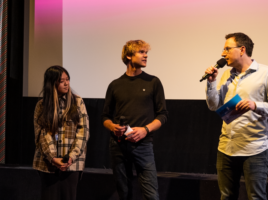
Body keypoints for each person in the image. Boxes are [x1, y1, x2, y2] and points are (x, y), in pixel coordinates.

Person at [204, 33, 268, 200]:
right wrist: (211, 82)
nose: (222, 53)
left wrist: (255, 105)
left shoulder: (266, 73)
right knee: (226, 196)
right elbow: (214, 106)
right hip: (226, 147)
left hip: (254, 149)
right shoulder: (226, 75)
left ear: (242, 50)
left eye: (227, 49)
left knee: (256, 197)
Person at [102, 40, 168, 200]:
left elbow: (163, 115)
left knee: (151, 194)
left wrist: (145, 130)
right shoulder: (115, 85)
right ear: (129, 56)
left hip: (143, 145)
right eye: (141, 52)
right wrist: (112, 127)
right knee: (123, 193)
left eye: (146, 52)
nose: (145, 55)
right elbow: (105, 117)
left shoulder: (153, 82)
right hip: (118, 145)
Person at [33, 65, 89, 200]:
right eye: (62, 80)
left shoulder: (77, 102)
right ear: (52, 83)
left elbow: (83, 132)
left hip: (72, 164)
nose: (66, 83)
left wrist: (71, 157)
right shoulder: (42, 105)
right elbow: (42, 134)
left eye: (68, 79)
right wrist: (53, 158)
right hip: (47, 164)